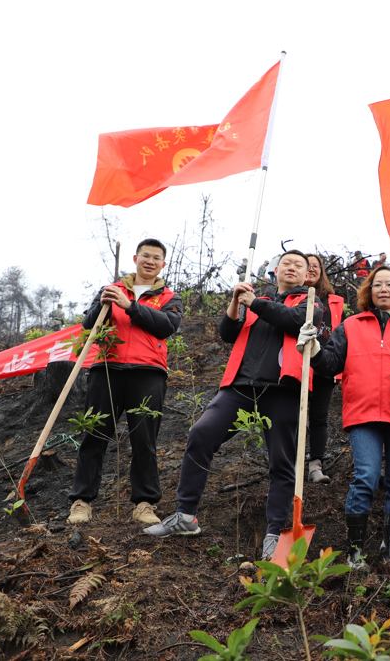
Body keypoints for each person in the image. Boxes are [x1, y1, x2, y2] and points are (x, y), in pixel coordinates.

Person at [144, 251, 330, 563]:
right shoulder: (256, 300)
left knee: (282, 462)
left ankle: (274, 535)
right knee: (201, 434)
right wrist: (235, 302)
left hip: (283, 389)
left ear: (307, 274)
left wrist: (254, 303)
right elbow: (227, 333)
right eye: (288, 262)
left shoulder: (310, 302)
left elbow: (293, 321)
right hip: (240, 386)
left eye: (301, 265)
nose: (294, 268)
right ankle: (186, 515)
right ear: (275, 270)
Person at [303, 265, 390, 569]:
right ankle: (354, 553)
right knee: (365, 477)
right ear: (369, 291)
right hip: (363, 414)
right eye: (378, 285)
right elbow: (331, 362)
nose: (384, 290)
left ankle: (389, 554)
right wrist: (311, 350)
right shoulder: (351, 325)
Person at [69, 239, 182, 526]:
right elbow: (88, 325)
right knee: (94, 435)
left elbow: (166, 326)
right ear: (135, 258)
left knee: (144, 440)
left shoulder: (169, 297)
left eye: (156, 257)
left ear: (163, 264)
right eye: (146, 255)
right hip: (107, 366)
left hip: (149, 371)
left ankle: (144, 504)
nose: (150, 261)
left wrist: (130, 306)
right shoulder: (110, 290)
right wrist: (105, 304)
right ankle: (82, 501)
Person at [305, 253, 345, 484]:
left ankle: (315, 464)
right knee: (294, 414)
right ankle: (290, 462)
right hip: (295, 364)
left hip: (325, 364)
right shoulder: (290, 297)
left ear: (322, 271)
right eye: (306, 265)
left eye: (315, 266)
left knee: (319, 416)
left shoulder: (334, 301)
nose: (311, 270)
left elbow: (341, 334)